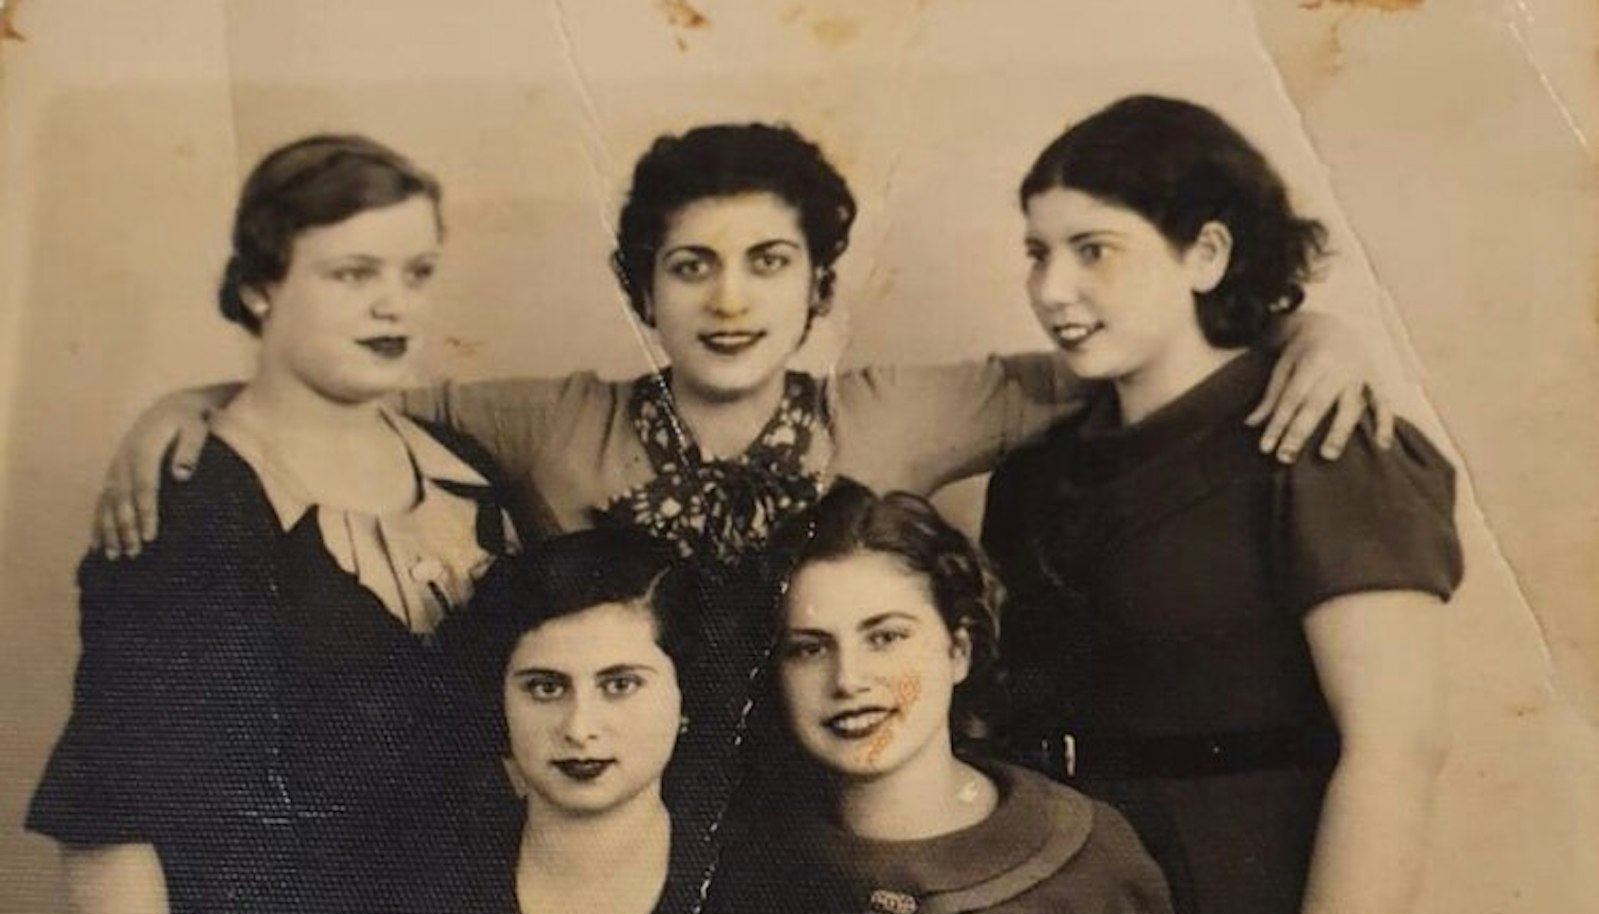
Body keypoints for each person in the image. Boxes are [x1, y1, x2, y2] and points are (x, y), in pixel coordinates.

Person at [94, 122, 1391, 564]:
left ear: (816, 286)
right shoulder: (550, 419)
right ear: (640, 291)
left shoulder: (902, 410)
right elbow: (344, 386)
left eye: (768, 264)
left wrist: (1304, 333)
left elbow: (1138, 350)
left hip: (833, 850)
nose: (728, 301)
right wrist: (185, 404)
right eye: (691, 267)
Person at [983, 96, 1464, 914]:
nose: (1052, 288)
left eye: (1093, 249)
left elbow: (1397, 747)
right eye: (1036, 252)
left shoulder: (1325, 445)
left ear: (1206, 252)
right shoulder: (1034, 477)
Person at [26, 135, 521, 914]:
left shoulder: (469, 474)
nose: (394, 303)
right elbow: (111, 829)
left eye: (415, 272)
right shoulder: (188, 500)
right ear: (260, 288)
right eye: (352, 273)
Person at [278, 528, 870, 914]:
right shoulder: (409, 886)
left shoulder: (777, 908)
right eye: (544, 687)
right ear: (499, 697)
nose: (579, 727)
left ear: (685, 695)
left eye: (620, 685)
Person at [766, 481, 1204, 914]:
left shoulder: (1084, 856)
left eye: (886, 636)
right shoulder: (756, 872)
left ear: (959, 650)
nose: (850, 679)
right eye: (809, 649)